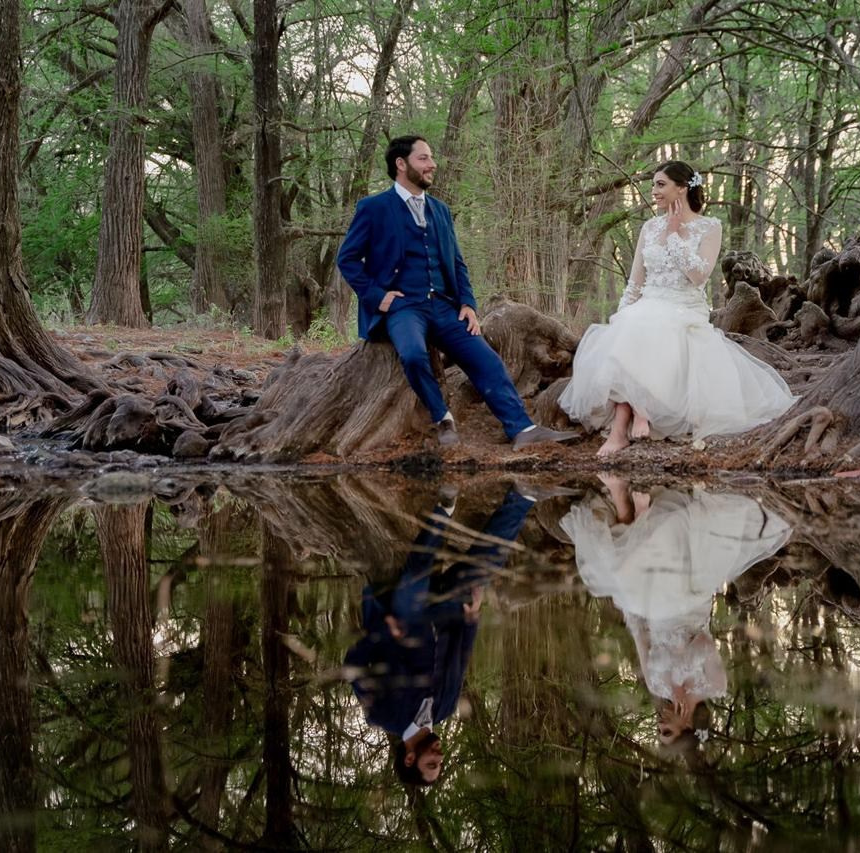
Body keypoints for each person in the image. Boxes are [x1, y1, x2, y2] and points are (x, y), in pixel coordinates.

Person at [337, 135, 578, 451]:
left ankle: (522, 429)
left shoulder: (440, 210)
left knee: (488, 362)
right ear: (401, 164)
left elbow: (457, 263)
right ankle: (442, 418)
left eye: (431, 158)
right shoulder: (374, 208)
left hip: (444, 306)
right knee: (412, 354)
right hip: (403, 307)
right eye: (423, 158)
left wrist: (467, 303)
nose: (432, 164)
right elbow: (348, 259)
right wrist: (378, 296)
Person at [558, 160, 797, 456]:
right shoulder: (649, 227)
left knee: (648, 326)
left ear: (682, 188)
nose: (653, 191)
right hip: (648, 304)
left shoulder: (709, 227)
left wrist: (674, 235)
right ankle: (634, 417)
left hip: (684, 306)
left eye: (660, 185)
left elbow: (699, 275)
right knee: (630, 327)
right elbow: (635, 282)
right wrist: (620, 316)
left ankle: (627, 424)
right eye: (653, 185)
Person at [344, 484, 560, 785]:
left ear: (409, 758)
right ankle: (523, 497)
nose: (440, 756)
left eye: (432, 762)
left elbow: (353, 665)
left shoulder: (383, 716)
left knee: (414, 580)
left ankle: (444, 509)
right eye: (441, 762)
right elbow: (459, 662)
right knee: (485, 568)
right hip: (447, 616)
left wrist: (382, 631)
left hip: (408, 616)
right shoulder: (444, 710)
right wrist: (471, 620)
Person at [560, 476, 791, 747]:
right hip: (689, 604)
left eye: (659, 732)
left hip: (654, 610)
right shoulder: (714, 687)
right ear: (688, 726)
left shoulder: (656, 687)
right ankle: (638, 512)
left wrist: (627, 601)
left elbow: (639, 637)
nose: (659, 726)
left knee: (618, 574)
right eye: (667, 731)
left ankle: (624, 501)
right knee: (654, 559)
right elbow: (705, 644)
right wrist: (681, 686)